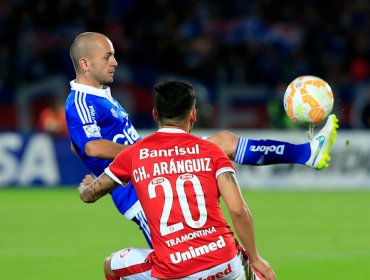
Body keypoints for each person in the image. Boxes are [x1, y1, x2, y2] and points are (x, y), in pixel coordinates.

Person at [65, 32, 339, 248]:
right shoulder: (80, 100)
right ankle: (306, 153)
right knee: (181, 263)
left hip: (150, 171)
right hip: (140, 190)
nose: (114, 62)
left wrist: (100, 174)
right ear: (85, 64)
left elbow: (79, 145)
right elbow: (91, 146)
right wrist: (141, 153)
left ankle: (306, 153)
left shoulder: (99, 95)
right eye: (107, 57)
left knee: (223, 140)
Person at [78, 79, 276, 280]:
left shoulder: (134, 154)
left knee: (110, 265)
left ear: (155, 114)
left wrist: (86, 187)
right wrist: (256, 258)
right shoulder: (212, 151)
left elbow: (91, 195)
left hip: (175, 269)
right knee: (260, 274)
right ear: (193, 115)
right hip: (224, 262)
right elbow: (238, 210)